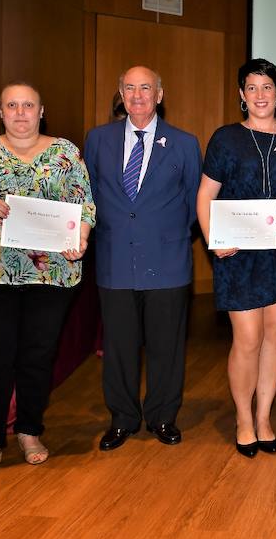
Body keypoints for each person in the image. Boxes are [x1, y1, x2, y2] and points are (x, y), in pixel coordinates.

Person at [0, 82, 95, 485]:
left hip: (51, 274)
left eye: (29, 105)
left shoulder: (64, 152)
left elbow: (84, 207)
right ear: (0, 111)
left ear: (41, 111)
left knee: (36, 358)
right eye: (12, 105)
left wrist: (80, 239)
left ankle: (29, 431)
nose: (21, 112)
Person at [196, 58, 276, 457]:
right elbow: (205, 195)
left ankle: (264, 416)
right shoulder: (225, 138)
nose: (260, 95)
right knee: (247, 338)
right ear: (241, 94)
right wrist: (213, 239)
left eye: (268, 87)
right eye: (252, 88)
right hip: (237, 252)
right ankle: (243, 418)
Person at [84, 66, 202, 451]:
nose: (138, 95)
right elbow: (89, 198)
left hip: (167, 261)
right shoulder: (97, 140)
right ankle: (122, 418)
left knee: (166, 347)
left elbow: (193, 203)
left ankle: (162, 416)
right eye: (130, 87)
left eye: (146, 87)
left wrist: (163, 233)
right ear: (120, 92)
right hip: (114, 259)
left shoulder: (184, 143)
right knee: (119, 346)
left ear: (159, 94)